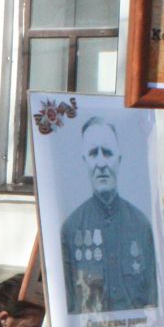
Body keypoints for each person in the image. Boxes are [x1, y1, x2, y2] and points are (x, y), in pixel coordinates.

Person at [59, 116, 157, 315]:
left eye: (108, 153)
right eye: (94, 153)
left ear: (118, 160)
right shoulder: (71, 228)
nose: (101, 162)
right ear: (84, 161)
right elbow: (66, 303)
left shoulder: (141, 225)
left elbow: (153, 299)